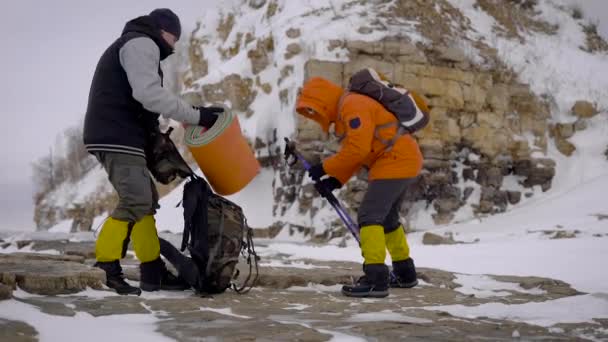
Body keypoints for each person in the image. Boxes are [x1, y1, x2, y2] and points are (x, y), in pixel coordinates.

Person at [83, 8, 223, 295]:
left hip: (124, 134)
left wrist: (157, 131)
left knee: (145, 202)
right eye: (174, 38)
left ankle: (152, 273)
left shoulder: (140, 45)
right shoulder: (141, 43)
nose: (173, 46)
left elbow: (143, 102)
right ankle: (106, 268)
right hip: (115, 134)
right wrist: (196, 115)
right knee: (135, 199)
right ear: (163, 31)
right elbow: (148, 94)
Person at [295, 76, 425, 298]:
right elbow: (359, 154)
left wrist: (323, 167)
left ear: (323, 102)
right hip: (401, 160)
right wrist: (335, 180)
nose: (317, 118)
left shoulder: (352, 105)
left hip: (395, 161)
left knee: (369, 215)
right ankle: (405, 273)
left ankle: (376, 279)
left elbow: (357, 149)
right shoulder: (350, 107)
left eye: (315, 111)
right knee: (387, 219)